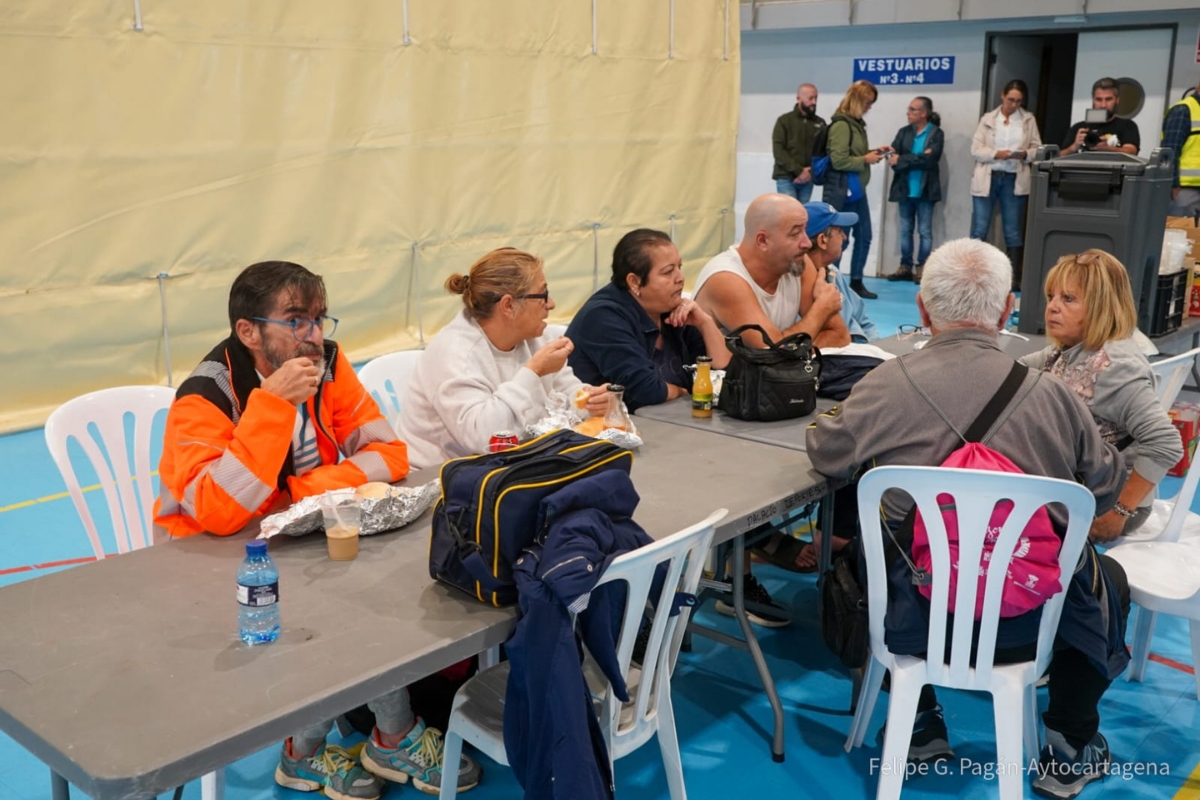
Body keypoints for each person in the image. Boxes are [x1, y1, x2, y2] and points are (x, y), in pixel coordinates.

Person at [807, 238, 1129, 800]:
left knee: (865, 552)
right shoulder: (1053, 395)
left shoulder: (884, 384)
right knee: (1109, 580)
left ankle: (920, 721)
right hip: (1031, 617)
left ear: (923, 309)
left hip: (915, 614)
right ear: (1006, 310)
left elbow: (827, 453)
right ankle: (1070, 743)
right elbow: (1104, 488)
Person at [154, 261, 479, 798]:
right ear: (247, 331)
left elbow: (388, 453)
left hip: (295, 534)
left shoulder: (327, 363)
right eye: (296, 320)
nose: (313, 335)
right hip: (207, 562)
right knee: (344, 605)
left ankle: (332, 745)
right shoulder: (205, 396)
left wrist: (300, 491)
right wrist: (272, 405)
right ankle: (372, 737)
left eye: (320, 318)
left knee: (376, 587)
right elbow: (219, 513)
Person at [395, 247, 608, 470]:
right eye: (542, 295)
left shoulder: (536, 336)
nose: (551, 303)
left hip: (511, 465)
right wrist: (533, 371)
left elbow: (566, 394)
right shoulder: (454, 354)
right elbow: (485, 438)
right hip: (441, 476)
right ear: (508, 305)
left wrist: (591, 400)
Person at [1020, 250, 1182, 537]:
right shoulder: (1069, 351)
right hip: (1076, 490)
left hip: (1104, 504)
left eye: (1068, 299)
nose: (1052, 307)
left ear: (1101, 306)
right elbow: (1008, 373)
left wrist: (1119, 512)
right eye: (1051, 297)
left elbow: (1165, 443)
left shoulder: (1114, 368)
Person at [566, 229, 730, 412]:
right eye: (668, 272)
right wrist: (681, 392)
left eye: (679, 267)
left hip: (673, 421)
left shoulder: (673, 309)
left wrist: (706, 323)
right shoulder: (603, 317)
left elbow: (727, 378)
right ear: (634, 282)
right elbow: (644, 391)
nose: (680, 278)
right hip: (609, 424)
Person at [693, 193, 847, 351]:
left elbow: (840, 336)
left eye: (805, 230)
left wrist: (792, 351)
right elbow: (774, 350)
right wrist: (822, 308)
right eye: (795, 234)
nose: (807, 243)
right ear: (763, 241)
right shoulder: (726, 279)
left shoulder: (798, 263)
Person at [969, 79, 1042, 292]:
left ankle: (1013, 279)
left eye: (1018, 101)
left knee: (1013, 230)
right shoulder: (988, 119)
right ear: (1002, 95)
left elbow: (1038, 149)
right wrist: (996, 153)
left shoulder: (1028, 119)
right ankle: (972, 274)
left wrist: (1025, 154)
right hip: (989, 175)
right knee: (979, 228)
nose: (1014, 104)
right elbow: (975, 149)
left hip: (1014, 177)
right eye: (1010, 99)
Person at [825, 79, 891, 300]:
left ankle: (855, 281)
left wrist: (874, 152)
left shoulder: (856, 124)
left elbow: (854, 154)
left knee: (864, 236)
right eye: (867, 102)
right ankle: (830, 281)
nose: (869, 107)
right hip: (842, 190)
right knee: (839, 239)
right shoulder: (841, 126)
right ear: (857, 100)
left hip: (856, 190)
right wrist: (865, 159)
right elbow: (838, 160)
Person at [885, 96, 944, 285]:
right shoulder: (903, 132)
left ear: (924, 113)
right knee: (905, 230)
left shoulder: (936, 134)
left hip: (925, 190)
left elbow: (930, 160)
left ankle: (922, 267)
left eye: (913, 109)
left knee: (925, 230)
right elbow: (890, 156)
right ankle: (905, 266)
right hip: (904, 189)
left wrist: (903, 159)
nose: (908, 113)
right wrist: (913, 157)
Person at [802, 201, 879, 343]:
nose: (844, 237)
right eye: (839, 231)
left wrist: (874, 348)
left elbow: (864, 321)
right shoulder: (796, 287)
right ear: (822, 241)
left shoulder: (834, 273)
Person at [772, 83, 826, 204]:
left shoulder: (820, 123)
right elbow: (779, 151)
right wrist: (799, 171)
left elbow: (823, 151)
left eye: (816, 98)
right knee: (789, 212)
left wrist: (810, 172)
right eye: (810, 98)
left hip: (808, 179)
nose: (814, 102)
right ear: (798, 98)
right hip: (786, 177)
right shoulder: (784, 121)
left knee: (802, 213)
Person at [1061, 77, 1140, 157]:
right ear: (1093, 100)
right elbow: (1059, 157)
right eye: (1098, 100)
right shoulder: (1079, 127)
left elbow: (1132, 152)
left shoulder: (1127, 126)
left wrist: (1108, 148)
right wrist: (1074, 146)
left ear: (1117, 100)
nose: (1103, 105)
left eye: (1108, 99)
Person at [1161, 81, 1200, 218]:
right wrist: (1173, 185)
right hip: (1184, 191)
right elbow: (1169, 151)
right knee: (1179, 229)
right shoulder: (1183, 110)